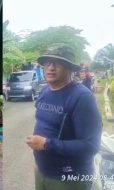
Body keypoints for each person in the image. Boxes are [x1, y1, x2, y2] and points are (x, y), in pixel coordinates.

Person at [26, 44, 102, 190]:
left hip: (69, 179)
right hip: (42, 172)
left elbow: (91, 145)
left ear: (71, 68)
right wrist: (39, 163)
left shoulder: (82, 97)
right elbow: (43, 125)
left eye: (58, 62)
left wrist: (46, 144)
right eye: (47, 62)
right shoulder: (45, 91)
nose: (51, 67)